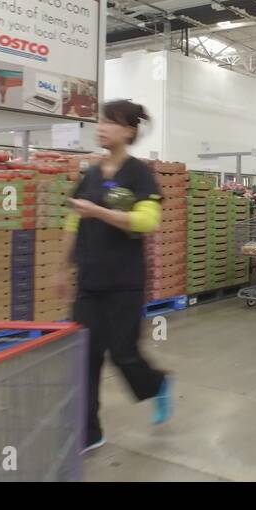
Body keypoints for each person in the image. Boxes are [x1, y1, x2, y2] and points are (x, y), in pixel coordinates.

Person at [58, 99, 172, 454]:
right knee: (85, 357)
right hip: (89, 283)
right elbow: (74, 221)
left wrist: (100, 212)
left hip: (124, 282)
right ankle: (89, 433)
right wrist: (62, 266)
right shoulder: (90, 175)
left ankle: (156, 385)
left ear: (128, 131)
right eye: (100, 121)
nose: (101, 127)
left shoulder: (139, 174)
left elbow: (147, 222)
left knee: (124, 354)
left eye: (109, 122)